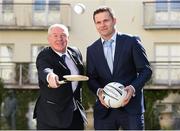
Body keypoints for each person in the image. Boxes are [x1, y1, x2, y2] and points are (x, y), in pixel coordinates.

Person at [86, 6, 152, 130]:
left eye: (106, 20)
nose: (102, 25)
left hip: (131, 108)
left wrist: (132, 89)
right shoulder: (92, 50)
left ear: (114, 20)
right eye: (98, 22)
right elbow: (91, 79)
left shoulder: (131, 42)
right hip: (104, 110)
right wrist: (99, 92)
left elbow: (146, 70)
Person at [33, 24, 85, 130]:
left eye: (63, 35)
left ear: (68, 38)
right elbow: (44, 69)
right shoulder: (45, 55)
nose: (59, 39)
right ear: (49, 39)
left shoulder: (75, 52)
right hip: (52, 117)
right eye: (55, 35)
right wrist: (50, 77)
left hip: (75, 114)